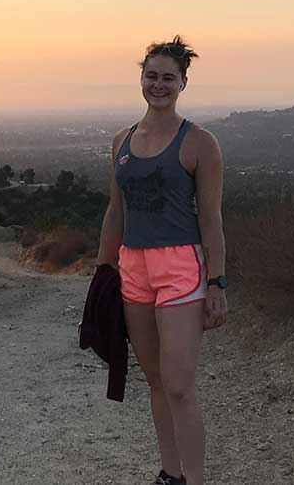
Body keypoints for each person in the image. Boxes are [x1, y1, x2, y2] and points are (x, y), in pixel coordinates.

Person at [95, 36, 228, 485]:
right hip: (133, 266)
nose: (159, 84)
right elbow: (116, 210)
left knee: (179, 386)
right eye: (151, 75)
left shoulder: (200, 144)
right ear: (141, 79)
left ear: (183, 83)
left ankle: (196, 479)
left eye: (168, 77)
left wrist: (218, 284)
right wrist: (102, 270)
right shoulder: (122, 142)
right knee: (154, 382)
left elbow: (211, 220)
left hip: (181, 268)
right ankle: (170, 474)